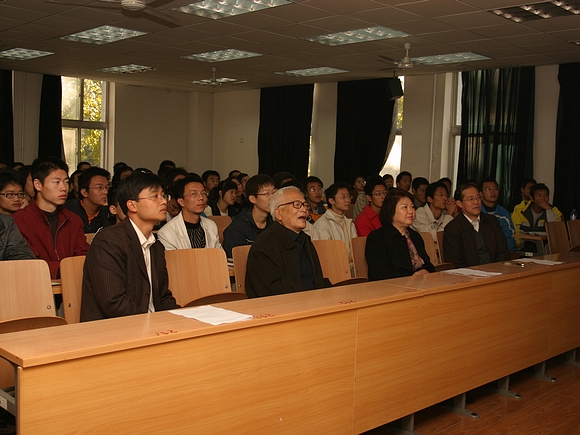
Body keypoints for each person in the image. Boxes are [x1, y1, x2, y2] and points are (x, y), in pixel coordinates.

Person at [80, 171, 180, 321]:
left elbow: (163, 297)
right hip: (114, 328)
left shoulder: (156, 245)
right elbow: (114, 304)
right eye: (155, 196)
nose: (163, 201)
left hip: (149, 324)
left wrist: (183, 319)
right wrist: (153, 323)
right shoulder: (108, 241)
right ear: (132, 205)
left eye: (164, 195)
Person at [245, 186, 329, 298]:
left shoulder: (304, 239)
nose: (304, 209)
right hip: (284, 305)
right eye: (297, 204)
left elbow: (316, 281)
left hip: (313, 301)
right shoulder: (264, 246)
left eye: (305, 205)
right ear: (278, 214)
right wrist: (310, 297)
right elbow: (271, 290)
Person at [13, 157, 89, 279]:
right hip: (34, 284)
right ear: (38, 185)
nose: (63, 188)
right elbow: (29, 263)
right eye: (56, 182)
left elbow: (82, 257)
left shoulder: (74, 220)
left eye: (66, 182)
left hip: (71, 284)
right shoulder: (19, 221)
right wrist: (65, 269)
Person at [366, 188, 435, 280]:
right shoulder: (377, 238)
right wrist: (411, 278)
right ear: (391, 210)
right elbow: (380, 274)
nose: (410, 211)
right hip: (393, 286)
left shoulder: (415, 236)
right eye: (405, 207)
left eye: (412, 207)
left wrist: (425, 271)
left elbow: (429, 265)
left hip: (421, 283)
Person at [443, 184, 510, 268]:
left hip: (496, 270)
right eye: (471, 199)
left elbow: (504, 251)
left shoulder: (492, 221)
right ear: (460, 203)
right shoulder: (453, 228)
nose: (476, 202)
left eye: (478, 197)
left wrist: (495, 268)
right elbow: (454, 261)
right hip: (468, 274)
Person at [157, 175, 221, 250]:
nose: (201, 198)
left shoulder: (211, 226)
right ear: (181, 202)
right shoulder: (167, 232)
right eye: (194, 194)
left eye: (203, 193)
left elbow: (219, 254)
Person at [222, 174, 275, 258]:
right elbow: (234, 260)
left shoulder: (276, 222)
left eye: (274, 193)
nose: (272, 198)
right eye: (266, 194)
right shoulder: (237, 228)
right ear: (252, 199)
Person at [511, 183, 563, 252]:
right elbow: (515, 232)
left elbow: (554, 232)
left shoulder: (555, 212)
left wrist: (548, 210)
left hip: (546, 248)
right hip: (523, 247)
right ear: (532, 198)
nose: (543, 199)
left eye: (546, 195)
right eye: (539, 195)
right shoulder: (520, 210)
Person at [314, 182, 357, 260]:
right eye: (343, 197)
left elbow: (355, 249)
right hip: (334, 265)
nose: (348, 200)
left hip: (351, 265)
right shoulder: (323, 224)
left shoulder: (350, 223)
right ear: (331, 201)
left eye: (348, 196)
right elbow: (326, 253)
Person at [65, 166, 111, 233]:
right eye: (99, 187)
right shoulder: (67, 211)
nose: (106, 192)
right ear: (84, 192)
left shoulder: (109, 214)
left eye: (107, 187)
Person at [480, 177, 516, 252]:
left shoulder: (503, 213)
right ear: (481, 193)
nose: (493, 192)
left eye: (495, 189)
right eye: (488, 189)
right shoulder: (476, 211)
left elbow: (510, 237)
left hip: (502, 253)